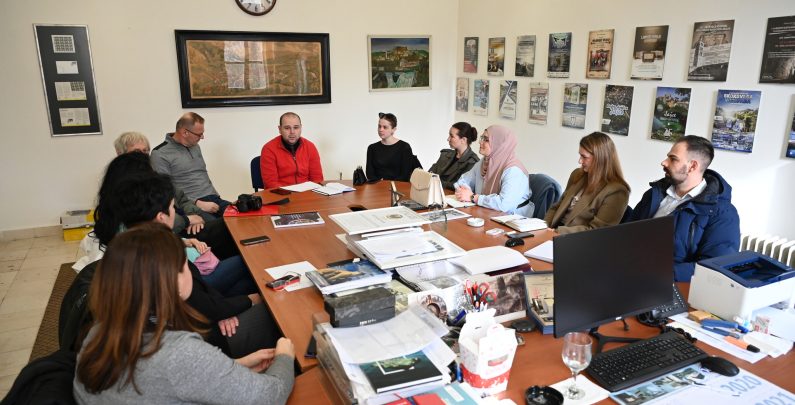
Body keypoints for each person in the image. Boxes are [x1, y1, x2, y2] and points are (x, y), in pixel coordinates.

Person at [73, 224, 295, 404]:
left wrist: (236, 366)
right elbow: (270, 396)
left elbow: (166, 383)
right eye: (186, 265)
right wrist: (285, 355)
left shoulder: (96, 333)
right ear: (175, 281)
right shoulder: (179, 351)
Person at [629, 135, 740, 282]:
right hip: (631, 271)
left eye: (673, 159)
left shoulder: (723, 213)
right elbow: (629, 233)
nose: (664, 162)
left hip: (669, 283)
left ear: (692, 166)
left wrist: (658, 274)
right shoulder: (654, 194)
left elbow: (715, 267)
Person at [544, 132, 630, 234]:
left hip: (574, 238)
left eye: (584, 157)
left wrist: (556, 231)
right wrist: (543, 227)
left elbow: (598, 231)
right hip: (552, 231)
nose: (580, 161)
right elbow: (556, 207)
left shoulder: (617, 191)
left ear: (600, 159)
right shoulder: (577, 175)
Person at [151, 112, 231, 219]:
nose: (202, 137)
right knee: (219, 226)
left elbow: (201, 175)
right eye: (199, 134)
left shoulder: (195, 146)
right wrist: (197, 203)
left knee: (243, 215)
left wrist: (216, 197)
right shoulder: (160, 153)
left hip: (213, 198)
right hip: (190, 205)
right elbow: (164, 190)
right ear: (185, 133)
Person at [453, 125, 533, 216]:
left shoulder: (513, 170)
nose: (480, 142)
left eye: (486, 140)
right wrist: (463, 191)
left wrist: (473, 197)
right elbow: (463, 181)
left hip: (513, 217)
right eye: (482, 138)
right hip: (487, 212)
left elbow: (503, 204)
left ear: (499, 144)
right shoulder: (485, 162)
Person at [260, 112, 324, 188]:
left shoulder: (310, 147)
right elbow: (271, 183)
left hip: (307, 192)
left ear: (301, 128)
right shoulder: (268, 149)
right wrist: (291, 193)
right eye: (287, 128)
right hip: (280, 193)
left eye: (296, 127)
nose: (292, 132)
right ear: (280, 129)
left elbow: (317, 179)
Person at [365, 112, 420, 181]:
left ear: (393, 129)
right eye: (379, 126)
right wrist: (380, 183)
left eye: (385, 127)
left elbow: (405, 176)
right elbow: (370, 174)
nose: (381, 129)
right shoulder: (372, 148)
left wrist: (389, 184)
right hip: (377, 186)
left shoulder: (404, 147)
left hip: (398, 186)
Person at [428, 122, 480, 190]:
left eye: (452, 136)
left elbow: (458, 185)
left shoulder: (472, 162)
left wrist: (435, 181)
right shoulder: (445, 154)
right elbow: (429, 174)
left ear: (463, 140)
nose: (448, 139)